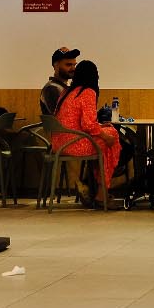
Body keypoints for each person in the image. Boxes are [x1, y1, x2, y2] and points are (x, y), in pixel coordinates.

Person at [51, 59, 125, 208]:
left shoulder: (66, 92)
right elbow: (88, 125)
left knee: (105, 139)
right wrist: (105, 135)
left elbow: (78, 124)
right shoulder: (87, 92)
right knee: (112, 137)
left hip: (58, 144)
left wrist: (101, 128)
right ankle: (101, 194)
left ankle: (94, 189)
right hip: (74, 144)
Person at [39, 46, 77, 117]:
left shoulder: (66, 87)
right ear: (56, 65)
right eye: (68, 65)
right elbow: (64, 116)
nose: (73, 69)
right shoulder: (52, 88)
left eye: (74, 65)